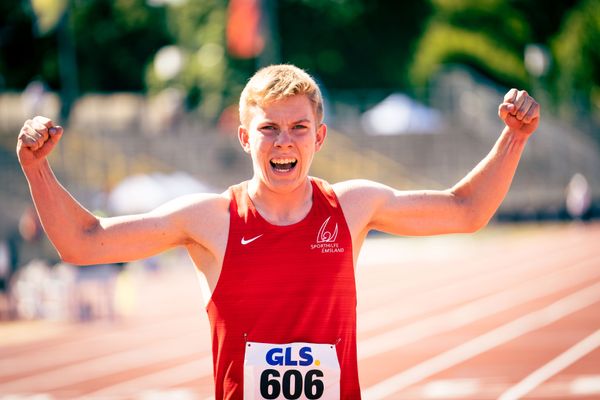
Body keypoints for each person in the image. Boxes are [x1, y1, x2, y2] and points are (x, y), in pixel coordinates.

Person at [17, 64, 540, 399]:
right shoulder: (211, 219)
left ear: (321, 137)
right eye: (268, 128)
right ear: (245, 137)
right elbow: (82, 242)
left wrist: (514, 138)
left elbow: (466, 209)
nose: (283, 142)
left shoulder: (351, 207)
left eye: (297, 128)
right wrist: (36, 167)